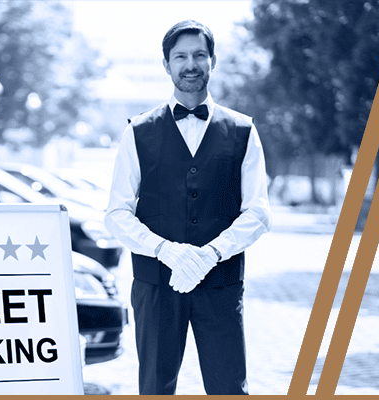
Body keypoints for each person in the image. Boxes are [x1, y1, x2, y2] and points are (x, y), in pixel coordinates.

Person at [104, 19, 272, 395]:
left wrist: (211, 254)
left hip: (221, 284)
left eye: (199, 55)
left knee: (229, 387)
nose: (190, 64)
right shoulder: (138, 131)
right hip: (156, 286)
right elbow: (116, 213)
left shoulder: (243, 130)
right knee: (155, 388)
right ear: (166, 65)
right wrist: (166, 251)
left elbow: (259, 211)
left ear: (212, 61)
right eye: (180, 56)